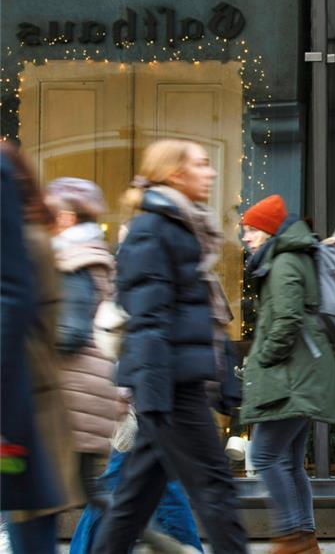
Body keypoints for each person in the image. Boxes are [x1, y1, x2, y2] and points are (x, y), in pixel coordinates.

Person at [90, 139, 247, 553]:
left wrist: (224, 374)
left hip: (174, 382)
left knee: (133, 502)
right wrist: (156, 396)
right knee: (215, 489)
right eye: (202, 165)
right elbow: (149, 317)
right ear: (176, 174)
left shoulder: (183, 226)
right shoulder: (153, 229)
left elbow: (206, 311)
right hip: (171, 386)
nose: (210, 173)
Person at [239, 195, 335, 554]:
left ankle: (290, 539)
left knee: (264, 456)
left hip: (297, 374)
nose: (246, 238)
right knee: (288, 460)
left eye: (251, 231)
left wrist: (264, 357)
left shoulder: (283, 262)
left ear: (268, 231)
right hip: (305, 371)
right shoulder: (290, 257)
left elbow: (286, 320)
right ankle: (305, 537)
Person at [1, 143, 71, 553]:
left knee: (31, 528)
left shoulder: (29, 244)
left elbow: (41, 328)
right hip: (28, 400)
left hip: (31, 402)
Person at [44, 177, 123, 508]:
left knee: (42, 494)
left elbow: (70, 332)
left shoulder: (72, 261)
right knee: (87, 493)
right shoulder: (87, 256)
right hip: (82, 393)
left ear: (67, 216)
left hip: (70, 395)